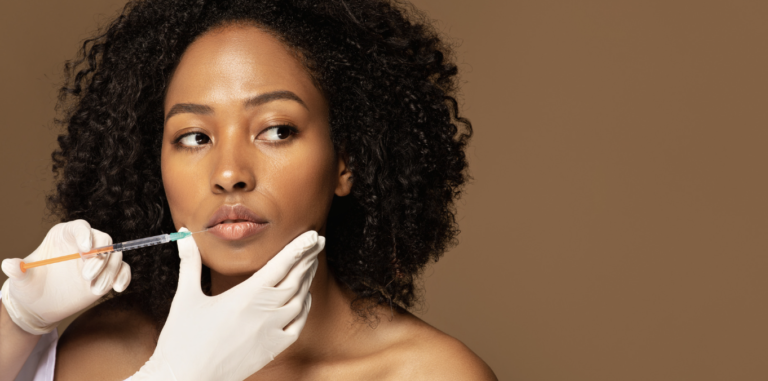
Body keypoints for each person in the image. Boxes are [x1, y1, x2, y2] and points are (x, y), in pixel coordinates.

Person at [0, 0, 497, 379]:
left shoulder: (430, 373)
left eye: (277, 130)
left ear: (347, 161)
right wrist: (16, 320)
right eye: (194, 137)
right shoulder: (101, 355)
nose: (229, 173)